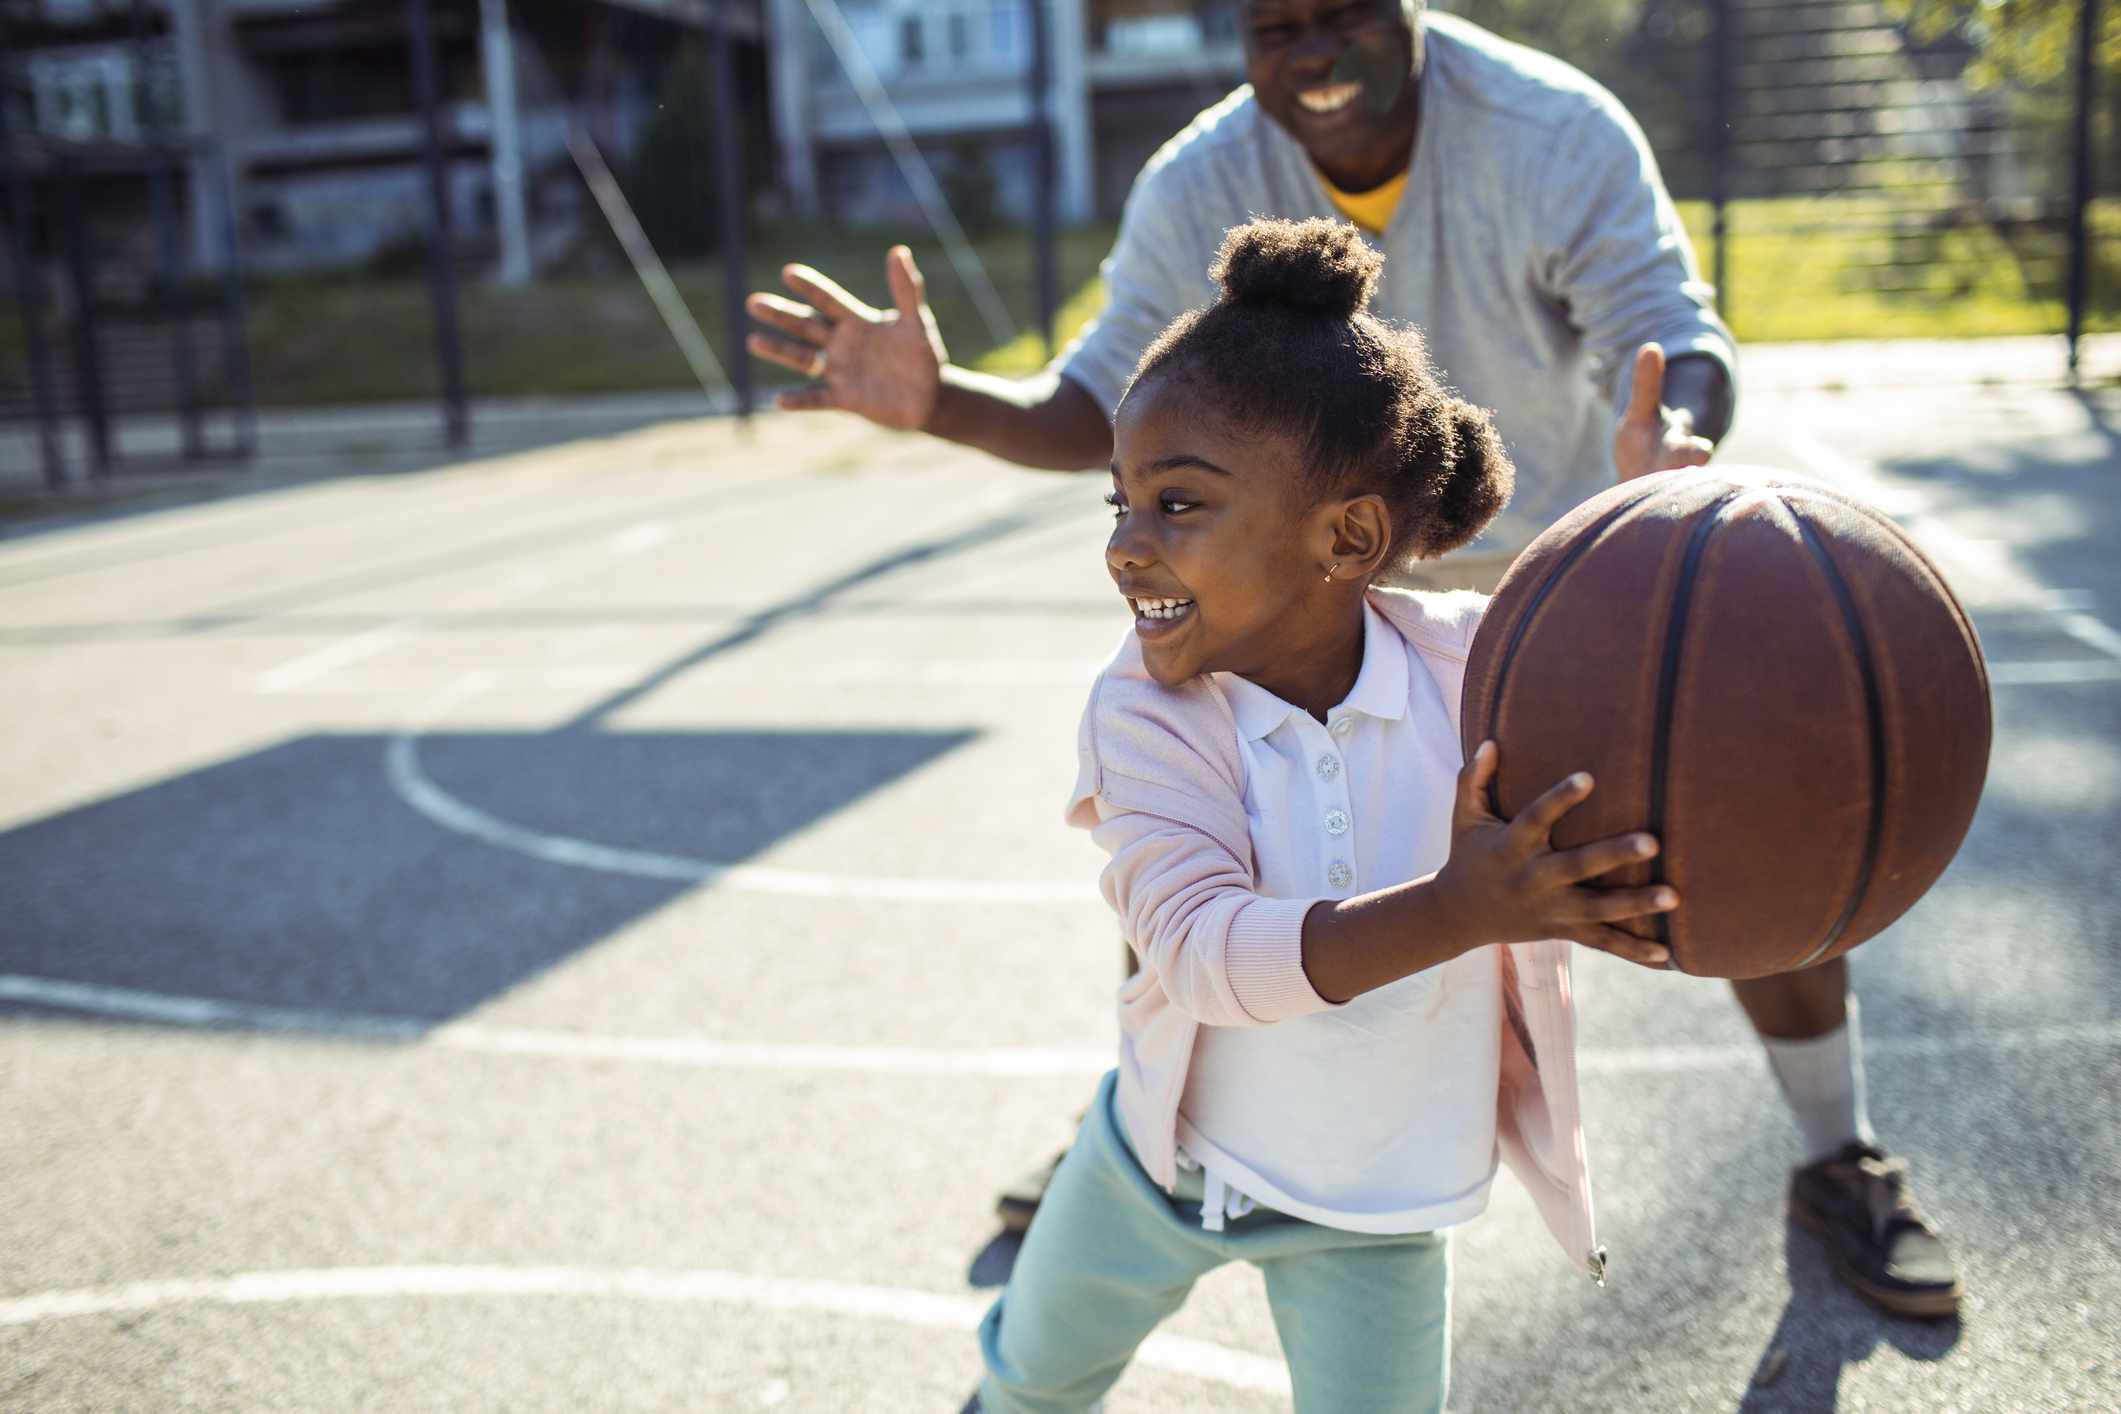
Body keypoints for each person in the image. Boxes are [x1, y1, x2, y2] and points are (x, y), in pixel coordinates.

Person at [747, 1, 1957, 1319]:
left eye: (1337, 17)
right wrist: (942, 400)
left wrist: (1669, 439)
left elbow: (1669, 325)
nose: (1308, 52)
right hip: (1284, 583)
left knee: (1725, 810)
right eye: (1275, 27)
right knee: (1194, 841)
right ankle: (1144, 1128)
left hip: (1543, 581)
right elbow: (1097, 399)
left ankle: (1836, 1149)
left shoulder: (1549, 130)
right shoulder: (1199, 178)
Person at [973, 215, 1680, 1413]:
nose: (1128, 548)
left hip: (1377, 1204)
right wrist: (1460, 909)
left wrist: (1658, 544)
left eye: (1177, 506)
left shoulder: (1473, 672)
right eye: (1120, 505)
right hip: (1164, 1165)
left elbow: (1628, 688)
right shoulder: (1146, 713)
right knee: (1029, 1383)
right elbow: (1198, 954)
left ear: (1348, 536)